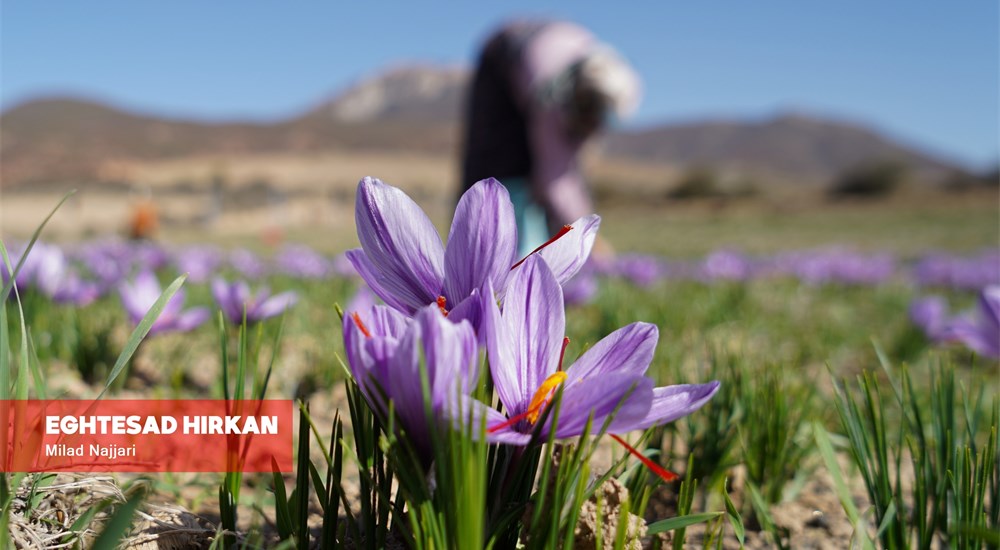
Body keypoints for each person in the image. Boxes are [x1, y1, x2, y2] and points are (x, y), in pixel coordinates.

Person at [460, 19, 641, 257]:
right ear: (581, 100)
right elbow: (555, 178)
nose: (594, 124)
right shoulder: (552, 98)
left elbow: (567, 163)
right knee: (501, 168)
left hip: (535, 52)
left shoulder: (594, 73)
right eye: (591, 113)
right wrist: (585, 234)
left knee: (538, 174)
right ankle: (485, 255)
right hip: (501, 63)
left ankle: (536, 252)